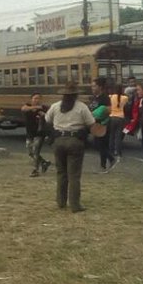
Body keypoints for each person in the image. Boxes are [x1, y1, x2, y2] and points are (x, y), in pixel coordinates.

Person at [45, 82, 96, 212]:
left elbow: (47, 120)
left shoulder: (55, 106)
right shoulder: (81, 107)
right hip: (75, 141)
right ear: (76, 95)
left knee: (61, 172)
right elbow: (91, 123)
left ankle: (61, 202)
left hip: (58, 140)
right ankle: (75, 205)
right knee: (74, 175)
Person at [21, 93, 51, 177]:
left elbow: (49, 117)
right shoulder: (27, 106)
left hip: (39, 133)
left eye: (38, 98)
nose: (36, 100)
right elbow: (24, 109)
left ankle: (35, 170)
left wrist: (43, 114)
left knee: (35, 151)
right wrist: (36, 107)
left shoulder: (44, 108)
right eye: (35, 98)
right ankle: (44, 162)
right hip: (30, 133)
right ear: (31, 99)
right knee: (30, 152)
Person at [90, 77, 113, 172]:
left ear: (100, 87)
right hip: (95, 124)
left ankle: (105, 164)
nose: (92, 88)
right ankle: (108, 161)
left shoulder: (105, 98)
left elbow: (108, 110)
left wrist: (98, 115)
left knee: (101, 144)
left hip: (103, 124)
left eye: (94, 86)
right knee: (98, 145)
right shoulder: (94, 97)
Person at [106, 82, 129, 165]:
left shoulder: (111, 96)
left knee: (111, 135)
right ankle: (118, 151)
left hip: (112, 117)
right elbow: (127, 104)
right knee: (118, 136)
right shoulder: (125, 98)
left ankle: (111, 150)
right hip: (120, 117)